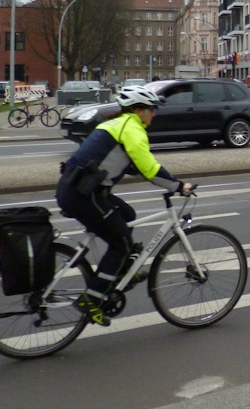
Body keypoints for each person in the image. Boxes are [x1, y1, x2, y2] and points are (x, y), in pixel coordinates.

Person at [56, 86, 194, 326]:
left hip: (78, 189)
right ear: (139, 110)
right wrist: (178, 186)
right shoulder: (132, 128)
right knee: (120, 242)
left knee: (127, 214)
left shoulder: (115, 124)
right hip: (83, 195)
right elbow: (149, 169)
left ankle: (120, 270)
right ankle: (93, 299)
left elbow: (125, 162)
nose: (154, 115)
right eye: (152, 110)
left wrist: (158, 176)